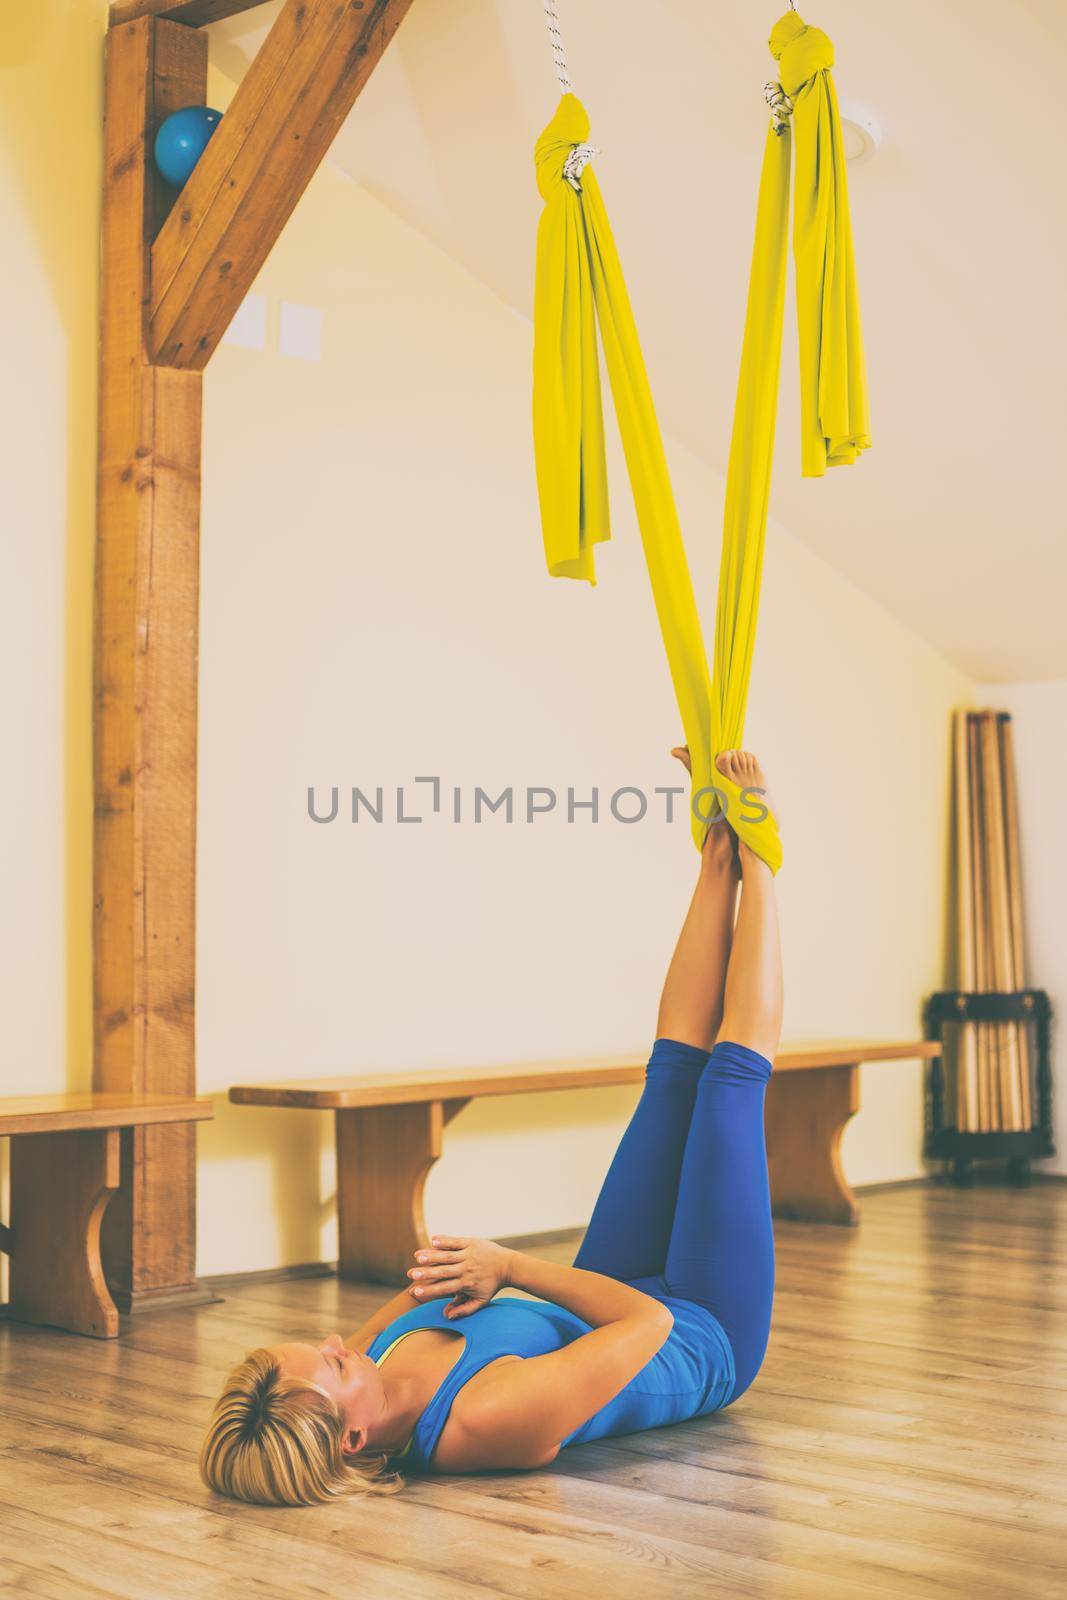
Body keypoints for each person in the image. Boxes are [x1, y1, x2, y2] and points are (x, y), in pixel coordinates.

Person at [201, 749, 783, 1506]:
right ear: (352, 1438)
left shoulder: (375, 1355)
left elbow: (457, 1299)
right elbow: (645, 1323)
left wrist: (479, 1267)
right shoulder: (480, 1422)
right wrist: (507, 1266)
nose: (337, 1342)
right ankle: (764, 859)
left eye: (320, 1348)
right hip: (701, 1331)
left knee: (671, 1075)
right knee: (729, 1084)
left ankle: (715, 856)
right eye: (333, 1365)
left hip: (596, 1294)